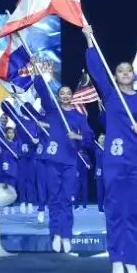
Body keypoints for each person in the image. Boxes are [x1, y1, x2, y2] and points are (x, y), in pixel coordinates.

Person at [83, 26, 137, 273]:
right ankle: (116, 260)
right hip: (114, 162)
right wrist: (89, 39)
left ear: (134, 75)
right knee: (115, 211)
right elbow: (96, 69)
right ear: (115, 76)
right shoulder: (111, 96)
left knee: (134, 212)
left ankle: (131, 260)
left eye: (128, 70)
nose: (125, 73)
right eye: (120, 71)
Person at [32, 73, 92, 254]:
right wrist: (37, 74)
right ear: (58, 96)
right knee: (54, 199)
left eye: (68, 93)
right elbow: (42, 91)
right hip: (52, 161)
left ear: (72, 96)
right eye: (62, 93)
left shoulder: (78, 117)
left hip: (70, 162)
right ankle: (56, 234)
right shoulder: (52, 111)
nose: (65, 95)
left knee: (66, 199)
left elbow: (89, 137)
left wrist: (77, 136)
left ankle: (66, 234)